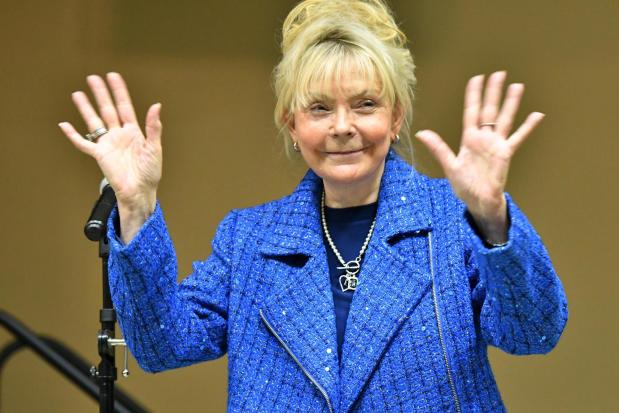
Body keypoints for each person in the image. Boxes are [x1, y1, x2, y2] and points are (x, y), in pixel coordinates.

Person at [59, 0, 568, 411]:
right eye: (319, 108)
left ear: (396, 117)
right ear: (292, 125)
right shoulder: (249, 239)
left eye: (365, 104)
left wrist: (491, 216)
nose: (342, 126)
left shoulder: (453, 218)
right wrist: (136, 207)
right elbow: (162, 345)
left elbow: (534, 331)